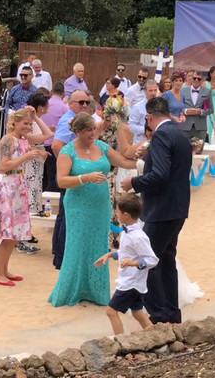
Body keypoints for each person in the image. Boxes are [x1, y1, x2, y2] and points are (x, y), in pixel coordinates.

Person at [49, 113, 137, 306]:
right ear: (78, 131)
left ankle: (96, 291)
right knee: (77, 245)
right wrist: (84, 178)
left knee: (98, 245)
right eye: (88, 129)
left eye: (93, 129)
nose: (92, 132)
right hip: (78, 206)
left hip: (101, 206)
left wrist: (145, 158)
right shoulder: (67, 151)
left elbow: (124, 162)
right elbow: (61, 181)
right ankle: (71, 289)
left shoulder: (102, 146)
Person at [121, 97, 192, 324]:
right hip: (178, 207)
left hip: (161, 208)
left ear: (150, 117)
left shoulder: (161, 135)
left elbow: (160, 174)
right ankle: (172, 313)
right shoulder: (179, 132)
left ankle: (159, 316)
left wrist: (134, 182)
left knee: (147, 262)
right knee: (167, 261)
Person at [0, 107, 49, 284]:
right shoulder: (8, 140)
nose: (28, 127)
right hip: (9, 185)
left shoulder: (23, 139)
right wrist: (26, 156)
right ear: (15, 122)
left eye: (30, 124)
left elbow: (47, 134)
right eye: (25, 123)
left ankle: (5, 270)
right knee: (8, 232)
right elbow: (4, 166)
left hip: (19, 184)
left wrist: (35, 117)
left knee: (15, 232)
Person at [94, 194, 158, 335]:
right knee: (137, 312)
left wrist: (134, 263)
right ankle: (157, 337)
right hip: (130, 281)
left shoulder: (138, 237)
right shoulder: (127, 232)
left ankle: (121, 341)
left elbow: (152, 259)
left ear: (126, 215)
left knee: (111, 311)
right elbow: (126, 253)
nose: (116, 214)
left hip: (131, 283)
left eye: (117, 211)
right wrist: (110, 254)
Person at [50, 90, 92, 269]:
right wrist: (68, 167)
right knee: (68, 215)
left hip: (72, 175)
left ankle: (58, 253)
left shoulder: (76, 120)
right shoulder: (68, 121)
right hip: (70, 176)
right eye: (80, 102)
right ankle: (61, 256)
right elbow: (56, 145)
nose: (84, 105)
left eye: (86, 102)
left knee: (64, 214)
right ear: (70, 103)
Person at [23, 93, 53, 216]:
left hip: (37, 156)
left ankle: (34, 207)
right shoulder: (31, 121)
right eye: (47, 105)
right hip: (31, 156)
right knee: (31, 183)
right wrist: (39, 151)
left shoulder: (36, 120)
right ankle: (30, 209)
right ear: (41, 107)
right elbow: (24, 141)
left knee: (37, 182)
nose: (49, 107)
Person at [41, 82, 67, 192]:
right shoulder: (64, 108)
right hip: (54, 145)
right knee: (52, 176)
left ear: (51, 92)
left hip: (41, 143)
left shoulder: (44, 105)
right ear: (63, 94)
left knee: (43, 176)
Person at [179, 70, 212, 142]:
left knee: (199, 150)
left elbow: (209, 109)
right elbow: (179, 106)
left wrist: (200, 112)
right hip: (185, 126)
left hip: (200, 127)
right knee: (183, 150)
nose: (196, 80)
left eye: (199, 79)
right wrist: (186, 111)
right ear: (191, 78)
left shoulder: (207, 91)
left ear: (202, 80)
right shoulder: (183, 91)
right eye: (194, 78)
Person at [129, 80, 159, 145]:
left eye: (155, 90)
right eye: (150, 90)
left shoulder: (160, 106)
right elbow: (131, 126)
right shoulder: (137, 107)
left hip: (156, 142)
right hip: (140, 143)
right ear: (145, 91)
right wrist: (146, 130)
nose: (153, 93)